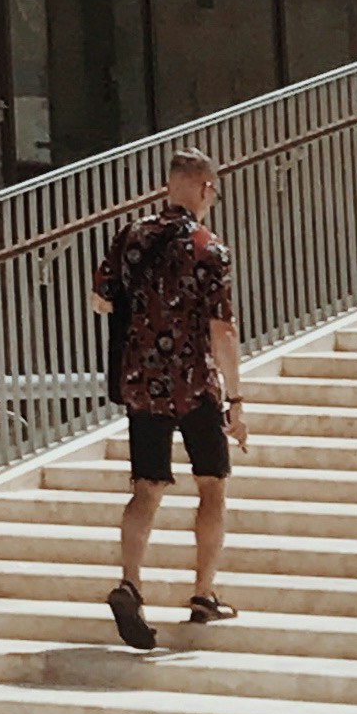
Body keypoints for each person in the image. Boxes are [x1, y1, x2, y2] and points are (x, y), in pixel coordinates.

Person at [90, 146, 246, 649]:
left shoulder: (130, 237)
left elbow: (100, 300)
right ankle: (203, 592)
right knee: (212, 484)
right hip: (195, 382)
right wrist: (236, 401)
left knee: (146, 488)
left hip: (143, 380)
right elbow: (222, 330)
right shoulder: (209, 248)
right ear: (204, 188)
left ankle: (130, 583)